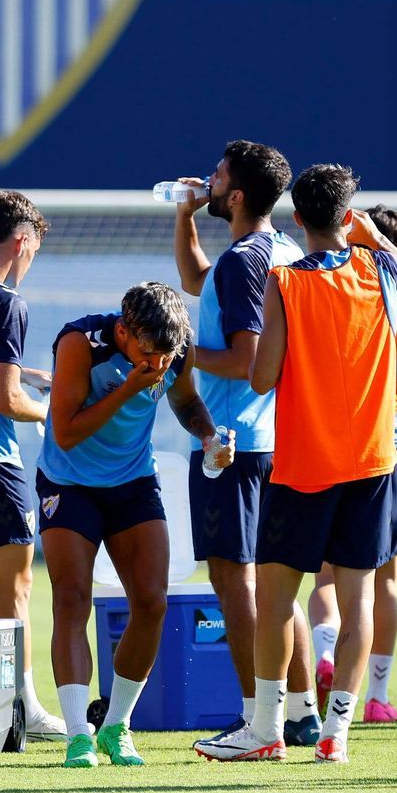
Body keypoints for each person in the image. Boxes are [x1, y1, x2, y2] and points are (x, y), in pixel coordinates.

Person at [196, 164, 397, 765]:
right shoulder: (383, 268)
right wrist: (380, 242)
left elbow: (261, 374)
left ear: (297, 218)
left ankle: (266, 729)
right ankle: (337, 732)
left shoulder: (286, 282)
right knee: (358, 600)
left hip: (304, 465)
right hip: (372, 462)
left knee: (278, 598)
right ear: (349, 214)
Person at [41, 284, 237, 769]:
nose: (159, 363)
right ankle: (77, 736)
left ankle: (116, 726)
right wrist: (128, 386)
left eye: (167, 354)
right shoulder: (78, 343)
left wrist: (210, 437)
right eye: (149, 353)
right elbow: (65, 432)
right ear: (124, 332)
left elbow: (186, 402)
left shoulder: (175, 350)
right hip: (70, 482)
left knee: (151, 602)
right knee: (71, 600)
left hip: (132, 480)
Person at [169, 140, 316, 747]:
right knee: (278, 586)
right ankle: (302, 709)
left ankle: (261, 720)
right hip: (282, 440)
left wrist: (175, 355)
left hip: (235, 443)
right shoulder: (281, 249)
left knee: (237, 585)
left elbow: (244, 359)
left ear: (235, 195)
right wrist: (183, 218)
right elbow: (198, 279)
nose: (208, 178)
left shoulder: (242, 261)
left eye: (219, 174)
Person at [306, 205, 397, 724]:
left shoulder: (318, 290)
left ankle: (325, 653)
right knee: (382, 581)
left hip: (322, 449)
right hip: (386, 452)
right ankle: (375, 697)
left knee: (325, 578)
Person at [0, 190, 66, 740]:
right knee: (16, 585)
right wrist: (49, 408)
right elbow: (3, 401)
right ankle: (22, 704)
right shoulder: (6, 301)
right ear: (22, 241)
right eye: (33, 251)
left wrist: (28, 378)